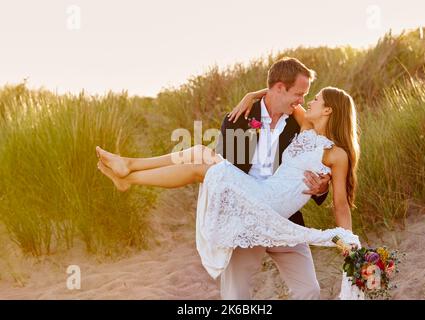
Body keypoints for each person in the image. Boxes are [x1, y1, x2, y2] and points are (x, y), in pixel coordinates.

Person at [95, 58, 361, 300]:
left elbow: (340, 204)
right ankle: (128, 171)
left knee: (309, 290)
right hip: (248, 208)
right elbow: (274, 96)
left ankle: (130, 171)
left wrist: (341, 228)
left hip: (281, 215)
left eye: (311, 98)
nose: (304, 101)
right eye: (301, 95)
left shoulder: (313, 134)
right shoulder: (244, 119)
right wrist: (252, 95)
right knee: (235, 294)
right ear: (279, 88)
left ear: (327, 111)